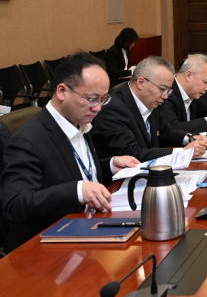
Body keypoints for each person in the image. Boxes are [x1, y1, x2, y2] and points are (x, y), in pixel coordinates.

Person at [1, 52, 140, 251]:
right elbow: (16, 204)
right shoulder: (28, 139)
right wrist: (77, 191)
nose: (98, 108)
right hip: (47, 248)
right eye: (92, 99)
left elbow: (71, 170)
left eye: (103, 99)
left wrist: (110, 164)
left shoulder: (78, 122)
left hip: (88, 229)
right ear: (62, 92)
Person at [92, 56, 207, 162]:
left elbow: (166, 132)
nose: (165, 96)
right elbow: (132, 153)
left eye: (168, 91)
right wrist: (183, 152)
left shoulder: (151, 99)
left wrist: (191, 138)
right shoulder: (113, 108)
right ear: (141, 82)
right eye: (162, 89)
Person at [158, 54, 207, 133]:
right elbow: (173, 128)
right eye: (205, 82)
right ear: (188, 75)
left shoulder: (192, 94)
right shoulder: (167, 93)